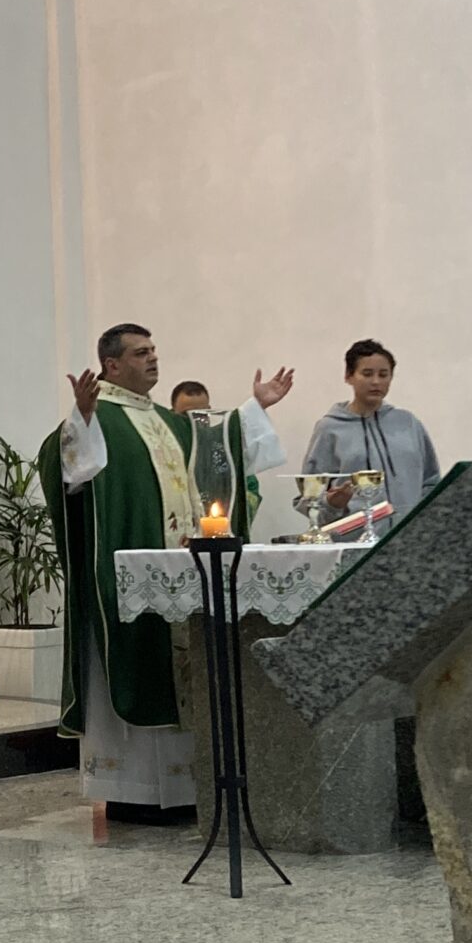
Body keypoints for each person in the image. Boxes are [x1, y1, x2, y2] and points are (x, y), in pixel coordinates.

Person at [39, 326, 295, 819]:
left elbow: (215, 443)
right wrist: (82, 418)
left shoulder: (165, 421)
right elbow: (65, 469)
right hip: (129, 586)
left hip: (180, 578)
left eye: (154, 350)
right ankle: (131, 792)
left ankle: (184, 792)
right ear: (112, 365)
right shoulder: (100, 417)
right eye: (141, 353)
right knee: (139, 666)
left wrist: (255, 409)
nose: (153, 359)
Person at [302, 339, 443, 520]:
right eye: (367, 374)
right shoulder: (330, 428)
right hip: (354, 534)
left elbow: (431, 482)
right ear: (349, 376)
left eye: (383, 375)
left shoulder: (408, 423)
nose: (376, 382)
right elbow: (309, 494)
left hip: (409, 533)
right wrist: (332, 505)